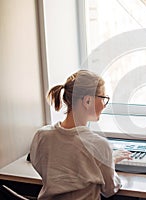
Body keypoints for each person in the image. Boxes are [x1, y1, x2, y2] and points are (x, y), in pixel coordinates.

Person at [30, 70, 131, 200]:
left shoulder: (41, 135)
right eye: (103, 98)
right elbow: (110, 190)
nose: (104, 105)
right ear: (87, 101)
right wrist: (110, 162)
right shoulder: (98, 145)